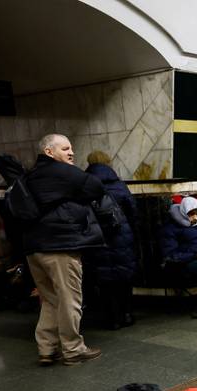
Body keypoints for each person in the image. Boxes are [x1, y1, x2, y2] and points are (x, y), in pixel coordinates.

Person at [24, 134, 104, 366]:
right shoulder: (62, 172)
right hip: (59, 247)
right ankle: (73, 349)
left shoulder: (30, 175)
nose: (71, 153)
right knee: (70, 299)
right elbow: (96, 187)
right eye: (66, 148)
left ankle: (47, 349)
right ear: (49, 152)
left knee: (50, 300)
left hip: (33, 248)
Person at [82, 151, 137, 330]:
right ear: (108, 162)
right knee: (124, 276)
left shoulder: (83, 184)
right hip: (122, 235)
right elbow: (133, 211)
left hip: (98, 238)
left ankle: (112, 319)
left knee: (105, 279)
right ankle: (127, 314)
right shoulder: (119, 185)